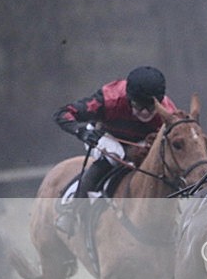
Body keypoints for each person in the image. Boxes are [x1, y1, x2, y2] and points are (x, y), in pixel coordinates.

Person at [52, 66, 178, 235]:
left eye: (151, 107)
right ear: (129, 99)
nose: (146, 113)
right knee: (116, 155)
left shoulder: (168, 111)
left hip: (142, 142)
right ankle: (72, 211)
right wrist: (82, 132)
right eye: (139, 106)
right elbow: (63, 114)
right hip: (106, 136)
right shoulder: (109, 98)